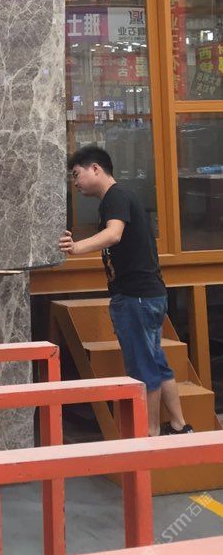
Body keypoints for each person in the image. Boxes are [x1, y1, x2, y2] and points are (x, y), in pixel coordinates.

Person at [58, 145, 191, 438]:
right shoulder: (120, 197)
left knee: (144, 369)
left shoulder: (115, 196)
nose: (75, 183)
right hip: (150, 294)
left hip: (136, 298)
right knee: (157, 363)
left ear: (96, 169)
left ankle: (149, 435)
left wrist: (77, 248)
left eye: (77, 174)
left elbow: (114, 234)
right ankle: (180, 425)